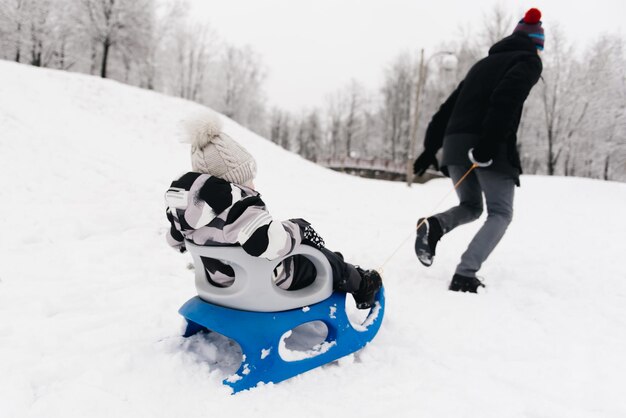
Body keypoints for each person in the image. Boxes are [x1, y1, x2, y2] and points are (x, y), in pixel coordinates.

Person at [165, 112, 382, 308]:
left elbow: (175, 241)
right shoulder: (239, 207)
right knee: (319, 256)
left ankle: (340, 265)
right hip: (267, 283)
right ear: (233, 183)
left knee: (318, 254)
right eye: (248, 180)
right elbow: (266, 243)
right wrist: (299, 228)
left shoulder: (187, 213)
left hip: (220, 285)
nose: (253, 186)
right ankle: (362, 285)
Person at [412, 8, 545, 293]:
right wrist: (488, 144)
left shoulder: (481, 65)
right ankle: (465, 274)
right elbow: (506, 98)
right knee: (501, 212)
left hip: (454, 144)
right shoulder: (528, 61)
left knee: (471, 206)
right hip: (486, 144)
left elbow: (447, 109)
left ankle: (434, 226)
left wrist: (430, 148)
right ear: (537, 44)